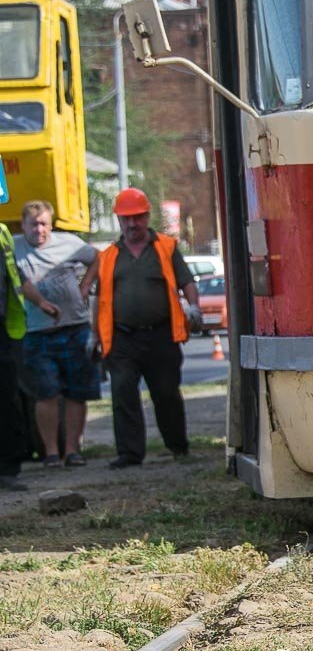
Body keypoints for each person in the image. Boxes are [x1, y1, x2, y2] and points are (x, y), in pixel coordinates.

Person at [95, 187, 201, 469]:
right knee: (122, 391)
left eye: (137, 218)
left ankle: (178, 446)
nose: (132, 225)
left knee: (166, 392)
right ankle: (130, 454)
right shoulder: (108, 256)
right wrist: (94, 336)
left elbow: (186, 282)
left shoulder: (166, 247)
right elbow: (101, 299)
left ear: (147, 216)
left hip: (161, 335)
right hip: (122, 338)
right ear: (118, 220)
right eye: (126, 219)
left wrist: (194, 307)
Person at [15, 201, 101, 467]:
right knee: (46, 393)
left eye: (44, 224)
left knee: (78, 391)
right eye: (34, 224)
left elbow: (98, 257)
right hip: (37, 331)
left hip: (75, 326)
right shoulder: (14, 247)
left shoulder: (68, 243)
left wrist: (86, 285)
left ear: (51, 225)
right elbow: (17, 279)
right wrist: (40, 301)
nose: (39, 230)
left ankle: (73, 450)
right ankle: (51, 452)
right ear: (24, 225)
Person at [1, 221, 61, 491]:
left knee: (7, 400)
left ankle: (7, 469)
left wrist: (40, 302)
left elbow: (17, 276)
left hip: (4, 331)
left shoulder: (2, 233)